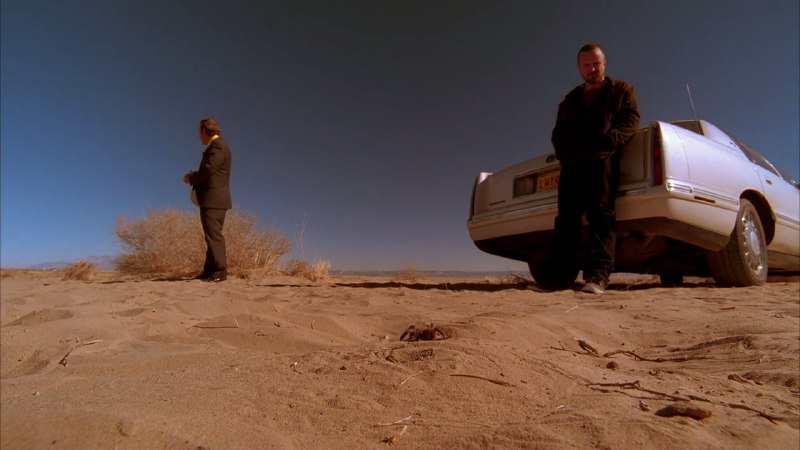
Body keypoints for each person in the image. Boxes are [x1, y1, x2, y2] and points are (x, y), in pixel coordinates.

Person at [549, 43, 640, 294]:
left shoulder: (621, 90)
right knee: (566, 221)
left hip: (602, 161)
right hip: (572, 166)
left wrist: (610, 141)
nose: (592, 69)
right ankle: (559, 278)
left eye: (596, 64)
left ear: (604, 63)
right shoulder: (570, 100)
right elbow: (558, 133)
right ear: (579, 68)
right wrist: (563, 154)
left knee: (602, 216)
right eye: (586, 65)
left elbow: (631, 119)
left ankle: (597, 277)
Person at [183, 118, 233, 282]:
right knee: (210, 235)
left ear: (204, 131)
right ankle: (209, 270)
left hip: (214, 199)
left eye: (199, 133)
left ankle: (219, 272)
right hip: (213, 200)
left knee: (214, 235)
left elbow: (209, 170)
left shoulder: (218, 146)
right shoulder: (216, 146)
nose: (199, 137)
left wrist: (191, 178)